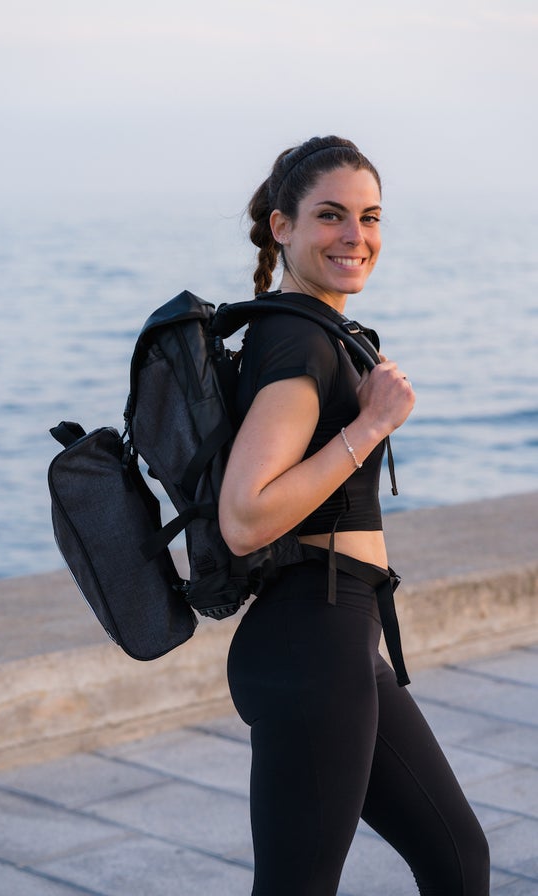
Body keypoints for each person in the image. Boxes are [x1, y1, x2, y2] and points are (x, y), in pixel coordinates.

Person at [218, 136, 490, 895]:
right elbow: (245, 516)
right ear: (282, 228)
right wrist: (370, 426)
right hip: (312, 642)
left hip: (340, 638)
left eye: (370, 217)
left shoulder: (313, 331)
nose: (355, 236)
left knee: (458, 860)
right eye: (330, 216)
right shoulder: (298, 342)